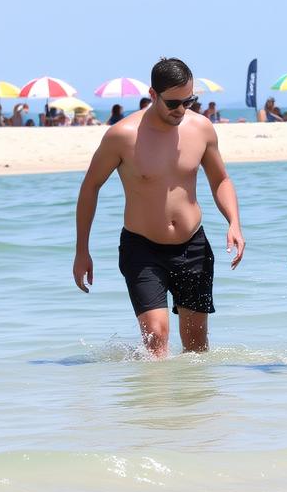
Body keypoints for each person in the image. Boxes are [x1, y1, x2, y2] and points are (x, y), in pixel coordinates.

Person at [73, 57, 246, 358]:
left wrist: (234, 222)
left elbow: (221, 180)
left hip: (193, 247)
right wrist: (82, 250)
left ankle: (189, 406)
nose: (181, 110)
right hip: (142, 249)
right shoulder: (122, 136)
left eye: (188, 101)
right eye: (173, 103)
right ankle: (153, 401)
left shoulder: (202, 129)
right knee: (156, 335)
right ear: (153, 95)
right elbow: (90, 187)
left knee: (196, 348)